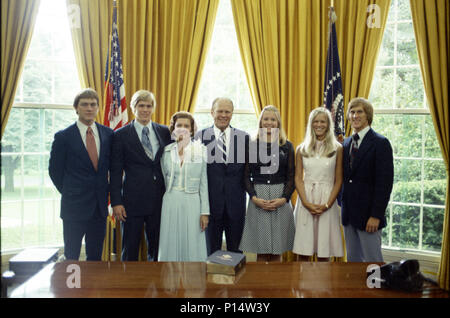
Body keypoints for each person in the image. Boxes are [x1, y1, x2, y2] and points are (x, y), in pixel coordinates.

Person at [49, 88, 113, 261]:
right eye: (84, 104)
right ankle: (73, 289)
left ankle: (93, 289)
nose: (89, 108)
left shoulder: (108, 134)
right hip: (74, 207)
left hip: (99, 208)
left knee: (95, 257)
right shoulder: (63, 137)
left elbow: (111, 169)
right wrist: (71, 191)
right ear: (76, 108)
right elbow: (55, 171)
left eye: (93, 104)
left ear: (98, 108)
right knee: (72, 256)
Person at [110, 90, 172, 261]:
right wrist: (116, 202)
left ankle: (157, 286)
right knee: (129, 250)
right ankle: (129, 286)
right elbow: (115, 172)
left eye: (149, 106)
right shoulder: (120, 135)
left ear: (153, 108)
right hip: (131, 203)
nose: (145, 109)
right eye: (141, 106)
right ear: (133, 108)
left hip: (159, 201)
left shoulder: (164, 131)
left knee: (158, 250)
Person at [239, 105, 295, 262]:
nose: (269, 122)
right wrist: (254, 197)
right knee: (261, 250)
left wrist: (284, 198)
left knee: (277, 250)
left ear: (278, 123)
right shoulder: (252, 145)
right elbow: (245, 176)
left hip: (280, 198)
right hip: (258, 197)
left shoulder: (287, 146)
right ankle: (261, 286)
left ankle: (277, 286)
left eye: (273, 119)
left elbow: (292, 176)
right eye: (266, 119)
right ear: (260, 122)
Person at [195, 97, 249, 255]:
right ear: (212, 112)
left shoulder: (244, 137)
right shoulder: (199, 137)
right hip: (211, 206)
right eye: (220, 111)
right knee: (211, 252)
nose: (223, 115)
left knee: (236, 252)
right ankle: (211, 281)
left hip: (236, 205)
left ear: (232, 113)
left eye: (227, 111)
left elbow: (248, 172)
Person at [342, 97, 394, 262]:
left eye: (359, 112)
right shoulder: (346, 143)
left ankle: (374, 289)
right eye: (352, 112)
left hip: (369, 217)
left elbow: (384, 184)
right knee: (353, 261)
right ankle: (356, 290)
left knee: (372, 262)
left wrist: (376, 215)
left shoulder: (380, 143)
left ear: (368, 116)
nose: (355, 116)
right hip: (349, 215)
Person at [292, 107, 344, 261]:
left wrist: (327, 204)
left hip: (327, 201)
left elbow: (338, 180)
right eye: (315, 121)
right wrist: (306, 203)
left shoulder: (337, 148)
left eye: (322, 121)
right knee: (303, 250)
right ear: (311, 124)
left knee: (324, 251)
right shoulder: (301, 149)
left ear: (328, 125)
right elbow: (298, 178)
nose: (319, 125)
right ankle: (301, 285)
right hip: (306, 200)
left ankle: (322, 285)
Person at [158, 111, 209, 261]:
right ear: (173, 128)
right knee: (170, 241)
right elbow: (162, 179)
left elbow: (204, 183)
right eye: (179, 125)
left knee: (193, 241)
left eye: (186, 126)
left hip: (193, 202)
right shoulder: (166, 152)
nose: (183, 128)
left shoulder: (201, 151)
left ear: (192, 129)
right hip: (170, 201)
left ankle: (192, 282)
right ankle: (169, 282)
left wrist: (205, 212)